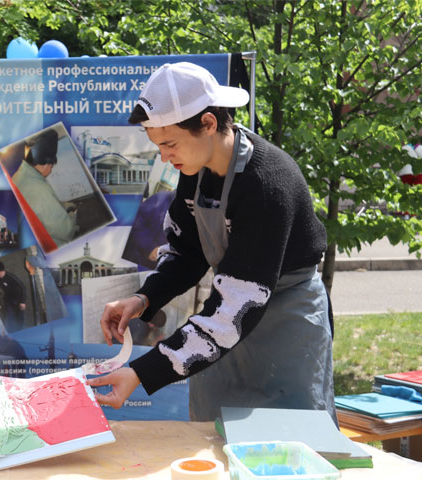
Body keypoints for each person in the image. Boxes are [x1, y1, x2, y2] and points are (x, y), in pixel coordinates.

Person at [88, 62, 336, 423]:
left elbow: (237, 307)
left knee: (290, 436)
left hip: (286, 322)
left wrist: (142, 371)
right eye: (158, 145)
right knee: (214, 433)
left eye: (170, 143)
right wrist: (145, 297)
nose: (164, 157)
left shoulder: (266, 184)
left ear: (207, 123)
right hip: (228, 312)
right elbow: (187, 252)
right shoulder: (195, 170)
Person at [12, 129, 78, 247]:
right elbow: (65, 231)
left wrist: (63, 206)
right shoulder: (40, 190)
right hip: (51, 244)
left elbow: (42, 208)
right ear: (47, 165)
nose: (50, 170)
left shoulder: (17, 176)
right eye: (51, 167)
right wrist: (73, 215)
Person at [0, 261, 27, 332]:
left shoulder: (11, 277)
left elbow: (23, 287)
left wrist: (23, 301)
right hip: (8, 300)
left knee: (19, 317)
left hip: (18, 299)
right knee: (10, 317)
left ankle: (21, 332)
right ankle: (12, 332)